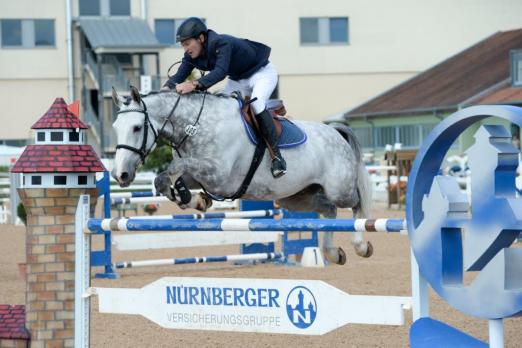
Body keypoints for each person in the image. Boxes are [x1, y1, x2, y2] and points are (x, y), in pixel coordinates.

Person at [162, 17, 286, 178]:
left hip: (261, 73)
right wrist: (162, 91)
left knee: (257, 104)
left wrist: (193, 85)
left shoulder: (221, 43)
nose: (185, 49)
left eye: (187, 43)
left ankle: (277, 157)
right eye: (183, 45)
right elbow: (179, 76)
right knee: (217, 110)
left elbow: (220, 72)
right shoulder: (191, 56)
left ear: (201, 38)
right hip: (238, 79)